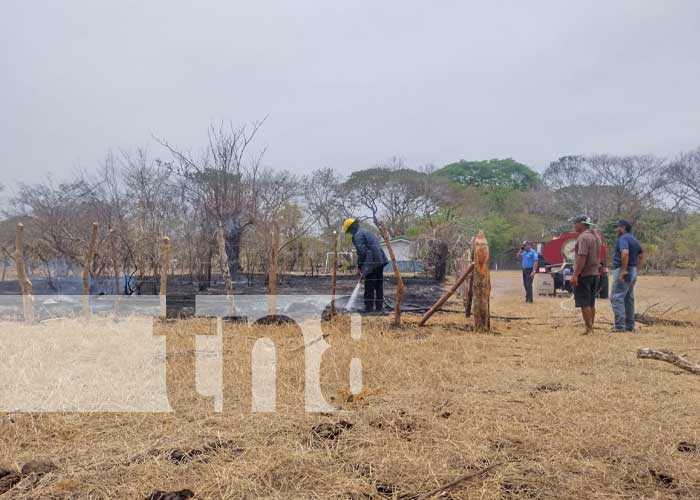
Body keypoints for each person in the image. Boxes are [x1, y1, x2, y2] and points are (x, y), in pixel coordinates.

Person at [342, 217, 389, 314]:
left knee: (369, 285)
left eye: (349, 231)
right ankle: (379, 308)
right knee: (378, 285)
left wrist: (360, 266)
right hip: (380, 259)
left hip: (371, 261)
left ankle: (369, 308)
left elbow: (362, 252)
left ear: (351, 228)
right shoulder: (366, 231)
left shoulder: (357, 235)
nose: (350, 233)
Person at [610, 219, 644, 332]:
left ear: (623, 227)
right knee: (628, 298)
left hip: (623, 269)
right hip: (632, 270)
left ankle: (620, 327)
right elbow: (641, 255)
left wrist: (623, 270)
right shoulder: (634, 239)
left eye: (618, 227)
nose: (616, 229)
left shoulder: (623, 238)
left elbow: (624, 253)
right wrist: (636, 270)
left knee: (617, 297)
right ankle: (630, 326)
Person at [570, 215, 602, 335]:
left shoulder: (583, 237)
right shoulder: (596, 236)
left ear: (581, 224)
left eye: (575, 223)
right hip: (595, 273)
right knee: (591, 302)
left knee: (584, 304)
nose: (574, 225)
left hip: (584, 274)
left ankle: (589, 329)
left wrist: (575, 275)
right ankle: (591, 327)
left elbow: (582, 257)